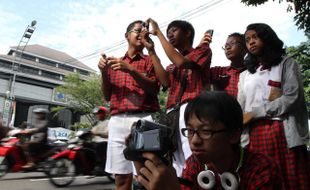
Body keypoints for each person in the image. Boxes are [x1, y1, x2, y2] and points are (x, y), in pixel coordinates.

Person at [135, 91, 285, 190]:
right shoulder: (195, 164)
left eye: (205, 131)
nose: (194, 141)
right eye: (190, 131)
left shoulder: (262, 170)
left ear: (233, 135)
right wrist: (139, 161)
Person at [238, 23, 310, 189]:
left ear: (267, 38)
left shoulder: (287, 64)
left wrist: (257, 112)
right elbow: (240, 108)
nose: (251, 42)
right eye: (247, 40)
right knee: (263, 179)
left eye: (255, 37)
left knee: (290, 180)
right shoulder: (245, 75)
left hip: (282, 131)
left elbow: (293, 97)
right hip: (254, 134)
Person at [142, 18, 212, 176]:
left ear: (187, 33)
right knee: (176, 161)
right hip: (172, 113)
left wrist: (159, 33)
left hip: (194, 108)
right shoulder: (171, 66)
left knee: (194, 157)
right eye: (168, 33)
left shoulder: (202, 51)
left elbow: (181, 62)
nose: (169, 35)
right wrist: (151, 51)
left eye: (173, 30)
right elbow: (165, 82)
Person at [98, 20, 161, 190]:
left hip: (145, 119)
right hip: (118, 121)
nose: (142, 34)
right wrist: (103, 73)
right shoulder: (114, 63)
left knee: (148, 177)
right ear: (127, 36)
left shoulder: (149, 61)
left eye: (144, 31)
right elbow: (106, 95)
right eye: (137, 31)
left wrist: (131, 70)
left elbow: (155, 88)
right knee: (121, 179)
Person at [210, 33, 247, 98]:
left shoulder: (253, 72)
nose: (228, 48)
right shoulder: (218, 72)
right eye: (226, 46)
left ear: (245, 48)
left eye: (232, 43)